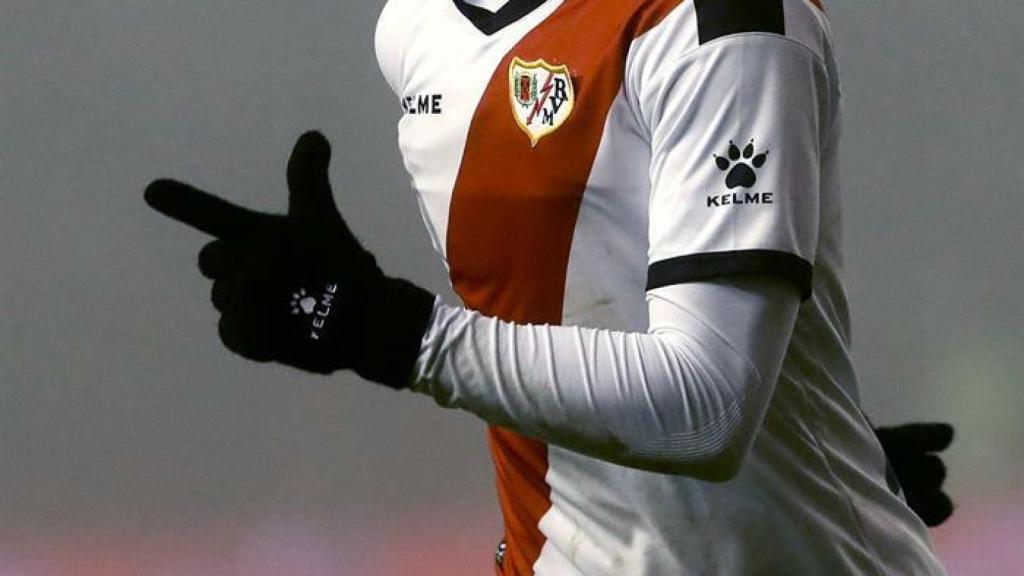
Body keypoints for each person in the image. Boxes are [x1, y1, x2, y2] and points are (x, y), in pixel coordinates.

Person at [146, 0, 953, 573]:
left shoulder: (723, 22)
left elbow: (706, 405)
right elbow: (565, 303)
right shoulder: (413, 26)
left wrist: (386, 332)